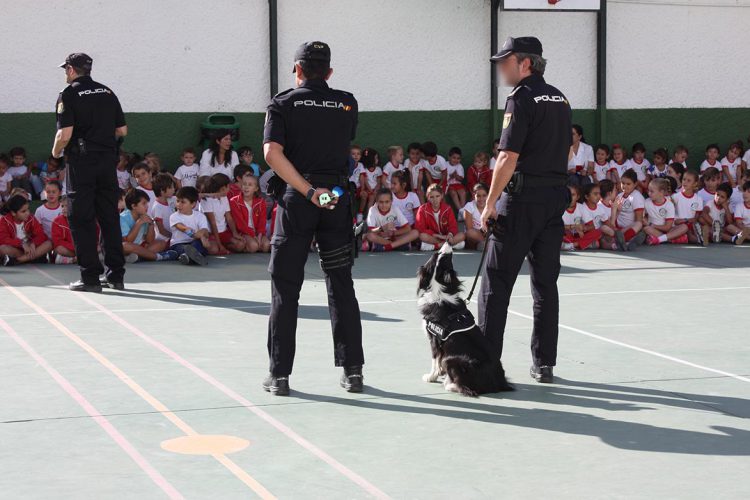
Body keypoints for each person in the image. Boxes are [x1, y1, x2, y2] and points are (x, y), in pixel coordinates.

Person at [262, 41, 364, 395]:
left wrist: (306, 190)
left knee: (285, 288)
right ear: (330, 72)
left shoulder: (283, 103)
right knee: (340, 285)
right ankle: (353, 371)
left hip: (299, 201)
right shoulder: (347, 102)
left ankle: (280, 375)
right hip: (336, 200)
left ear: (298, 70)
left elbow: (272, 153)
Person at [479, 36, 572, 384]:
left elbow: (507, 156)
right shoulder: (560, 98)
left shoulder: (519, 99)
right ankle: (544, 363)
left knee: (496, 282)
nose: (501, 67)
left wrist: (489, 204)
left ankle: (486, 366)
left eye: (507, 60)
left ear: (526, 63)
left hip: (521, 201)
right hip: (553, 199)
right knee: (545, 285)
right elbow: (566, 151)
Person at [51, 53, 127, 291]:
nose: (65, 73)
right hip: (107, 161)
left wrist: (55, 153)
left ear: (72, 70)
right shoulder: (107, 92)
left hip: (82, 162)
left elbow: (65, 134)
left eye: (66, 69)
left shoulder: (69, 94)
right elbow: (122, 130)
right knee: (109, 216)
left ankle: (90, 278)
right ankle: (115, 275)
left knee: (81, 218)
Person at [0, 194, 53, 266]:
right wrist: (21, 244)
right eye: (23, 211)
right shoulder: (4, 221)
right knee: (2, 248)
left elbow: (41, 234)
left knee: (49, 243)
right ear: (13, 213)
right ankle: (33, 258)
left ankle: (18, 260)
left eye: (28, 209)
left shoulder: (31, 218)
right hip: (17, 250)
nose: (27, 213)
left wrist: (33, 243)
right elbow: (3, 239)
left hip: (31, 249)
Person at [200, 173, 245, 254]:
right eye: (228, 186)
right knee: (214, 250)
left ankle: (224, 247)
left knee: (240, 245)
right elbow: (213, 224)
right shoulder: (206, 201)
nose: (229, 188)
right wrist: (219, 244)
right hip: (211, 234)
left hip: (224, 232)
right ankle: (218, 247)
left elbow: (229, 218)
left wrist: (235, 233)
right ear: (222, 188)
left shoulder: (224, 198)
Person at [415, 183, 465, 251]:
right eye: (431, 197)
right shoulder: (422, 209)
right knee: (422, 236)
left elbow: (453, 226)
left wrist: (450, 234)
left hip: (446, 237)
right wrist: (436, 235)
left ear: (442, 196)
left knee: (462, 235)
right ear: (427, 197)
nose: (435, 200)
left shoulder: (447, 208)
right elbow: (420, 228)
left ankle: (435, 246)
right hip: (433, 237)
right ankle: (449, 245)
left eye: (437, 196)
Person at [170, 186, 211, 265]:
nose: (179, 204)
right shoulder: (174, 216)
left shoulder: (200, 216)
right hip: (178, 244)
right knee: (183, 249)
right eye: (177, 201)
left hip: (193, 243)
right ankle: (190, 256)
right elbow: (183, 228)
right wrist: (198, 236)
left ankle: (188, 257)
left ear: (193, 204)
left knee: (199, 245)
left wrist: (202, 236)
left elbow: (205, 231)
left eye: (183, 202)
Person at [229, 175, 270, 253]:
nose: (246, 187)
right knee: (254, 246)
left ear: (256, 188)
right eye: (244, 184)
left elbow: (262, 221)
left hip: (257, 232)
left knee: (266, 246)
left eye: (250, 185)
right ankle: (244, 246)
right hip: (243, 232)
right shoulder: (234, 201)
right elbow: (240, 224)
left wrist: (260, 235)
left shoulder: (261, 202)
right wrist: (253, 236)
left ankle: (252, 245)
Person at [612, 170, 647, 250]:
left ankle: (622, 241)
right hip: (618, 228)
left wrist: (627, 229)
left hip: (629, 228)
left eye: (628, 184)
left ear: (635, 184)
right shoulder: (619, 196)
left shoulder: (636, 196)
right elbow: (614, 214)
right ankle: (625, 242)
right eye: (623, 183)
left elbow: (638, 219)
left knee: (639, 224)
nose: (624, 186)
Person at [643, 178, 682, 245]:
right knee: (646, 229)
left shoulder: (669, 205)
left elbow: (667, 227)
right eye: (648, 191)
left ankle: (661, 239)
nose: (649, 193)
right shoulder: (646, 202)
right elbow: (643, 217)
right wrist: (644, 220)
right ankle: (670, 239)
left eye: (652, 191)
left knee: (684, 227)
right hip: (653, 231)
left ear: (661, 192)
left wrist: (652, 225)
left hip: (668, 231)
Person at [561, 185, 600, 251]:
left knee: (598, 232)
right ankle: (583, 244)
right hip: (565, 235)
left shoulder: (581, 207)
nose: (570, 197)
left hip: (577, 236)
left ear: (577, 197)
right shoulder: (560, 207)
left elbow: (593, 225)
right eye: (568, 194)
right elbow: (556, 226)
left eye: (573, 195)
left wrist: (584, 228)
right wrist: (573, 226)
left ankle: (572, 245)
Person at [580, 181, 617, 250]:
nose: (599, 196)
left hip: (599, 234)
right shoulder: (583, 208)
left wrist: (615, 230)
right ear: (587, 196)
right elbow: (591, 227)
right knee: (598, 241)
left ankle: (615, 245)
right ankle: (616, 242)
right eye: (595, 194)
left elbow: (607, 223)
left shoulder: (600, 207)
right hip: (588, 234)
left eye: (599, 194)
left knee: (605, 232)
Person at [672, 171, 704, 245]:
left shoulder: (698, 199)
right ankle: (699, 239)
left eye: (689, 180)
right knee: (686, 229)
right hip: (678, 224)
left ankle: (702, 237)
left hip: (691, 224)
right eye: (684, 179)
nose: (685, 182)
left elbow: (697, 216)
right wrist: (684, 220)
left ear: (695, 183)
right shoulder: (675, 197)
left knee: (697, 226)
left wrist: (693, 220)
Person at [149, 173, 177, 244]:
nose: (174, 189)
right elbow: (161, 230)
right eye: (171, 187)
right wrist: (175, 237)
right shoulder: (157, 207)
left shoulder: (172, 199)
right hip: (165, 240)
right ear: (162, 191)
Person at [445, 147, 467, 212]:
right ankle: (460, 210)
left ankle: (462, 210)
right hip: (449, 185)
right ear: (449, 157)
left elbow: (461, 179)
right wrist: (451, 176)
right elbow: (444, 178)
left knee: (463, 192)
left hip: (458, 184)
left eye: (458, 158)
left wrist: (456, 176)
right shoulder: (445, 165)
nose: (456, 160)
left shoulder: (459, 166)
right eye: (454, 158)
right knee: (453, 193)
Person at [731, 181, 750, 245]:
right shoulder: (739, 206)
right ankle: (746, 237)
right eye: (744, 191)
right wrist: (745, 230)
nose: (745, 193)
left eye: (749, 192)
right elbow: (739, 223)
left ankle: (744, 237)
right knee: (730, 227)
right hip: (742, 229)